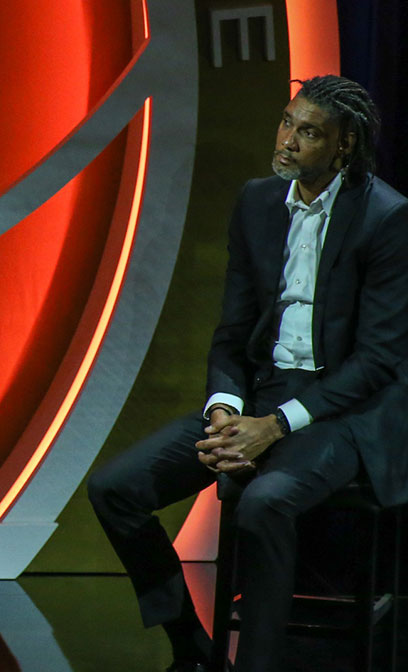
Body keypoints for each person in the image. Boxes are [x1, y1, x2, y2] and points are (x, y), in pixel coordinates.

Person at [88, 75, 408, 672]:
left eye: (308, 132)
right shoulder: (257, 202)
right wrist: (225, 412)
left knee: (263, 504)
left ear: (343, 145)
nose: (287, 139)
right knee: (116, 489)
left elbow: (377, 361)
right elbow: (232, 332)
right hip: (261, 396)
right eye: (287, 122)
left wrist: (274, 427)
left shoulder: (385, 217)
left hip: (342, 410)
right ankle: (190, 650)